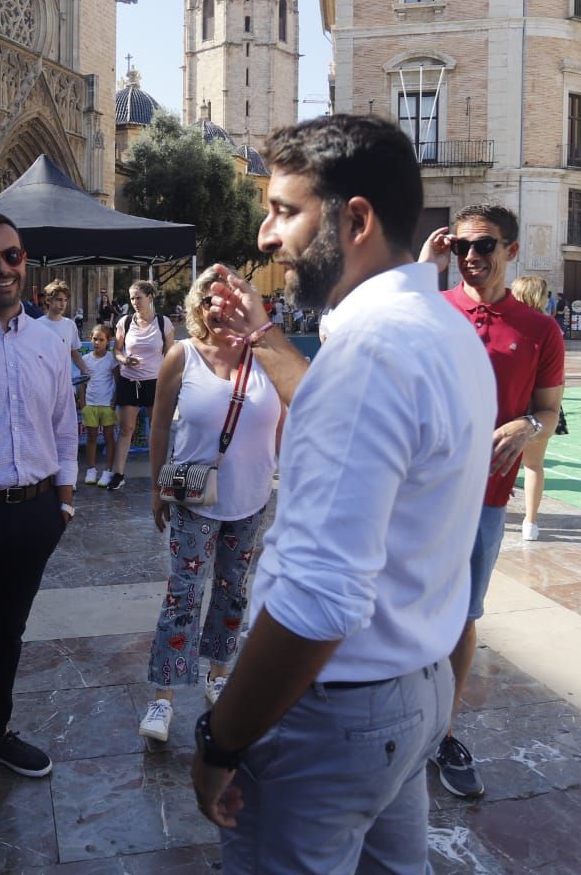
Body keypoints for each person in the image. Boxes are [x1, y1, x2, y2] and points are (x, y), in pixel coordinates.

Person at [189, 115, 494, 872]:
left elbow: (317, 602)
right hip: (410, 690)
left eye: (286, 211)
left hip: (334, 713)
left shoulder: (370, 351)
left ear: (355, 218)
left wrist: (219, 739)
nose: (266, 236)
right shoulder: (446, 330)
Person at [418, 205, 564, 798]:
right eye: (461, 247)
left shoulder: (539, 330)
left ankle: (442, 732)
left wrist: (529, 423)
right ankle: (398, 724)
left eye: (484, 246)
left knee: (462, 618)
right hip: (419, 495)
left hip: (485, 498)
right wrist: (423, 274)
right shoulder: (429, 311)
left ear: (511, 249)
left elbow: (551, 412)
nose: (472, 257)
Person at [137, 266, 297, 745]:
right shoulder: (181, 356)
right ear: (197, 307)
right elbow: (160, 425)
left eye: (228, 300)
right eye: (210, 300)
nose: (219, 308)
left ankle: (219, 673)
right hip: (192, 499)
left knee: (233, 593)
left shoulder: (265, 356)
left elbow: (287, 421)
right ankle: (163, 697)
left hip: (250, 500)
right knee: (182, 595)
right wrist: (156, 489)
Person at [0, 211, 77, 779]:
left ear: (26, 262)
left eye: (13, 256)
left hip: (36, 511)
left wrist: (65, 501)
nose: (2, 268)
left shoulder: (49, 342)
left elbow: (64, 424)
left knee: (8, 633)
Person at [506, 274, 567, 545]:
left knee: (498, 463)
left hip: (509, 400)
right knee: (534, 466)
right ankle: (530, 521)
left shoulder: (507, 324)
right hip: (540, 405)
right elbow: (557, 376)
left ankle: (494, 514)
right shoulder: (549, 327)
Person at [106, 281, 174, 491]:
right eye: (132, 297)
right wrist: (124, 360)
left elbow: (172, 355)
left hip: (156, 382)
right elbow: (116, 350)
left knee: (158, 429)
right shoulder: (124, 322)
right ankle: (118, 473)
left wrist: (173, 384)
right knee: (126, 429)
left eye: (139, 297)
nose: (135, 302)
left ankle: (161, 474)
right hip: (130, 380)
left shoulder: (164, 323)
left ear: (150, 297)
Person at [79, 324, 117, 487]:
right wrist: (83, 404)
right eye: (95, 339)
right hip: (91, 404)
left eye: (101, 340)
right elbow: (82, 384)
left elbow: (117, 381)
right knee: (92, 437)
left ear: (108, 341)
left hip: (107, 404)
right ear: (90, 339)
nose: (97, 343)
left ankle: (108, 471)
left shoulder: (112, 359)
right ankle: (91, 470)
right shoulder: (85, 360)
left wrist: (114, 402)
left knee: (109, 437)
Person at [39, 280, 89, 376]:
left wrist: (85, 370)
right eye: (59, 299)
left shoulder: (70, 325)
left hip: (66, 382)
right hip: (43, 382)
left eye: (65, 300)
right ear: (48, 300)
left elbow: (74, 353)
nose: (63, 304)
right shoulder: (36, 325)